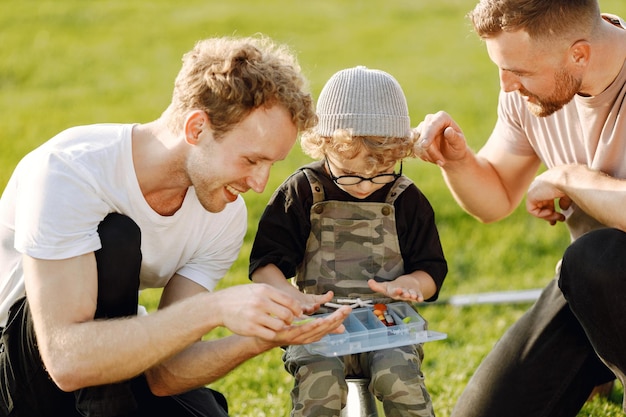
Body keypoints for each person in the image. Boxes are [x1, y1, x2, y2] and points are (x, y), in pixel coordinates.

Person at [0, 35, 352, 417]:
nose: (259, 184)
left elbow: (165, 374)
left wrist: (259, 339)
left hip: (107, 365)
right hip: (20, 370)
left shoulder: (222, 212)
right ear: (196, 128)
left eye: (271, 164)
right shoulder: (70, 171)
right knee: (116, 238)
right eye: (251, 160)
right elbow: (67, 361)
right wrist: (214, 307)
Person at [415, 1, 626, 416]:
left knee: (595, 256)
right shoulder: (527, 89)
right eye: (501, 67)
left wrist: (567, 178)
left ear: (579, 53)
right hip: (592, 292)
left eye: (520, 72)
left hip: (603, 269)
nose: (507, 84)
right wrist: (456, 161)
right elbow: (494, 199)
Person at [250, 66, 448, 417]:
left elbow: (431, 269)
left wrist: (412, 284)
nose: (365, 186)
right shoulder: (302, 192)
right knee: (319, 388)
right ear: (324, 146)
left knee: (398, 379)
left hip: (388, 324)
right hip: (321, 325)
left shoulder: (405, 198)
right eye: (349, 173)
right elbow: (266, 263)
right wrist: (291, 296)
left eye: (381, 173)